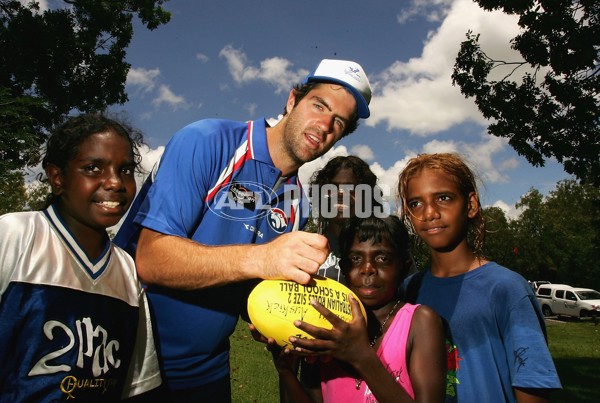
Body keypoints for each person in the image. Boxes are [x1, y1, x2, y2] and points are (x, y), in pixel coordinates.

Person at [113, 59, 373, 401]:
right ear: (293, 100)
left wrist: (291, 320)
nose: (324, 124)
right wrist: (262, 258)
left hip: (208, 370)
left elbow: (251, 291)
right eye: (319, 105)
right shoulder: (207, 141)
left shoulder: (298, 203)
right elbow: (150, 258)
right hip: (133, 363)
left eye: (338, 121)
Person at [0, 114, 161, 401]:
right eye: (93, 168)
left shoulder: (126, 268)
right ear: (58, 177)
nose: (114, 182)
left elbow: (137, 384)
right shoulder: (14, 235)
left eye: (125, 170)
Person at [397, 153, 562, 402]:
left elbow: (533, 387)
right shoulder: (409, 291)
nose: (429, 213)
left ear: (471, 205)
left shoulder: (506, 289)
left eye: (444, 198)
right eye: (416, 203)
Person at [272, 215, 447, 402]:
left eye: (382, 258)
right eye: (356, 258)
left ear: (404, 267)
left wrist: (360, 356)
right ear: (344, 268)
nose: (367, 268)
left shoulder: (420, 323)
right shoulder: (327, 327)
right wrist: (286, 371)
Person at [288, 155, 381, 401]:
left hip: (371, 379)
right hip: (314, 381)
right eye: (331, 188)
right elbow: (288, 355)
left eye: (351, 189)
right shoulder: (302, 250)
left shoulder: (383, 253)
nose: (339, 195)